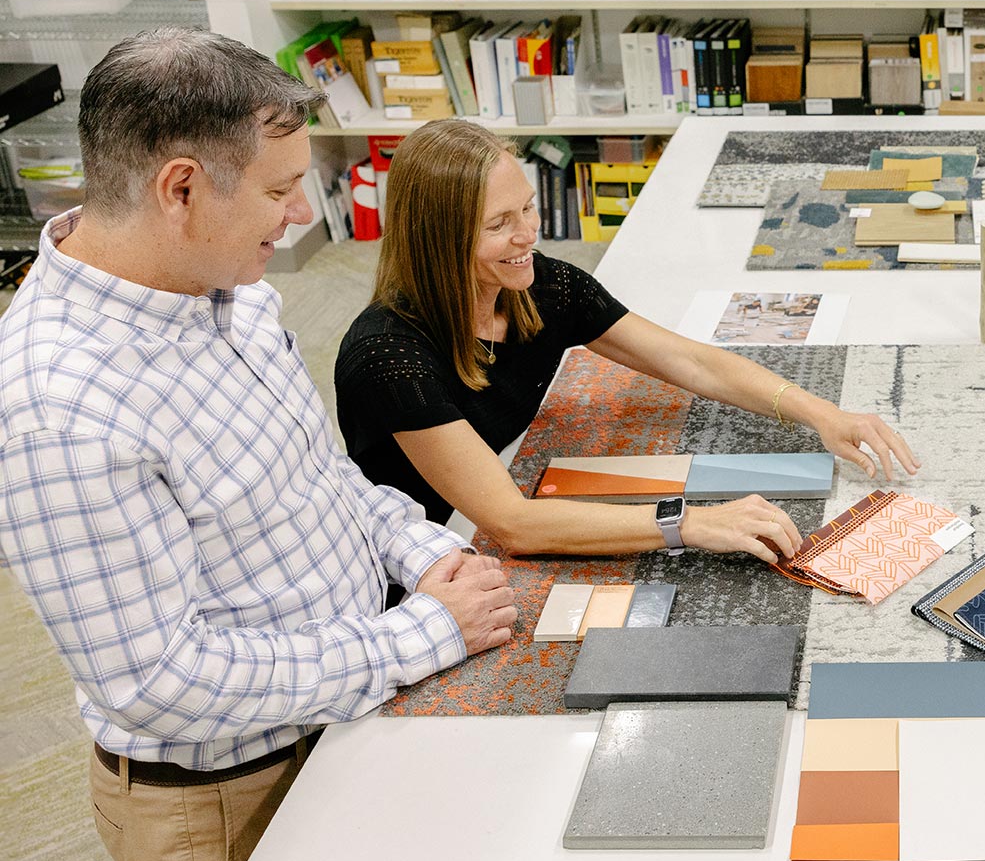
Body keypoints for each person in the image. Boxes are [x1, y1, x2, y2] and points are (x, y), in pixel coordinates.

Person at [0, 28, 514, 861]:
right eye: (280, 189)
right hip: (227, 799)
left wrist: (426, 551)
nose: (304, 214)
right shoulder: (59, 406)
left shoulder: (234, 298)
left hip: (346, 709)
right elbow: (157, 681)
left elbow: (321, 479)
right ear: (182, 188)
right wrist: (421, 633)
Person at [333, 118, 920, 560]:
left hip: (502, 486)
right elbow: (511, 523)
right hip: (422, 555)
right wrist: (688, 523)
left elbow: (688, 360)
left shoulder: (543, 287)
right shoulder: (388, 358)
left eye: (529, 209)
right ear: (437, 238)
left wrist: (820, 413)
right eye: (499, 224)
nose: (528, 235)